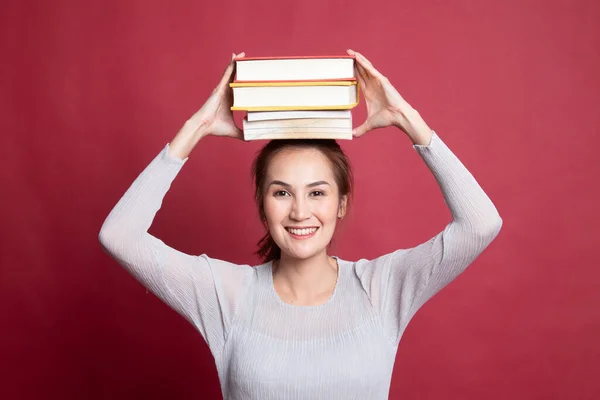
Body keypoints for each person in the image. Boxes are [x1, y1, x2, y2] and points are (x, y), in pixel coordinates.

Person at [98, 49, 502, 400]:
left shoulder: (383, 288)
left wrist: (407, 120)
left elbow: (480, 224)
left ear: (341, 203)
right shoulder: (227, 296)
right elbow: (120, 236)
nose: (299, 212)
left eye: (317, 192)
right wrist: (196, 129)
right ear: (262, 204)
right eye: (281, 192)